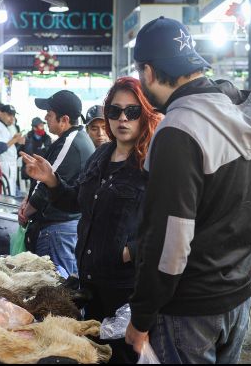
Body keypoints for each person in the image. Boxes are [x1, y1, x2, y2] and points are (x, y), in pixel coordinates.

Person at [124, 17, 251, 364]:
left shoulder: (178, 130)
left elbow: (170, 241)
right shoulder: (237, 114)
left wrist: (141, 317)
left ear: (148, 72)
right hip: (236, 300)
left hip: (190, 311)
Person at [22, 77, 162, 363]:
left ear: (144, 115)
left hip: (125, 291)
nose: (122, 118)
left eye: (132, 112)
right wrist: (51, 180)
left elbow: (169, 224)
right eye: (115, 111)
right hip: (90, 285)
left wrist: (129, 252)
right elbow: (77, 203)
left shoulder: (151, 162)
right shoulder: (101, 155)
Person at [19, 90, 95, 278]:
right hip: (61, 228)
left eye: (50, 114)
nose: (45, 117)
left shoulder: (71, 142)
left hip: (58, 231)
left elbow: (47, 184)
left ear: (64, 119)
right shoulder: (70, 139)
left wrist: (26, 212)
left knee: (56, 289)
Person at [0, 103, 25, 195]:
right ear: (1, 113)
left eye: (13, 115)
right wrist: (15, 139)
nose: (12, 118)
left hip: (8, 166)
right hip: (3, 166)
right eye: (9, 115)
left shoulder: (3, 126)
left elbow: (8, 146)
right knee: (5, 194)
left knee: (9, 192)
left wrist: (16, 140)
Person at [21, 117, 53, 184]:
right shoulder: (27, 138)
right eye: (41, 126)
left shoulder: (47, 138)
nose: (43, 127)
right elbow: (19, 152)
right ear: (34, 128)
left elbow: (49, 153)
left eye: (43, 125)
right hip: (30, 168)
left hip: (43, 169)